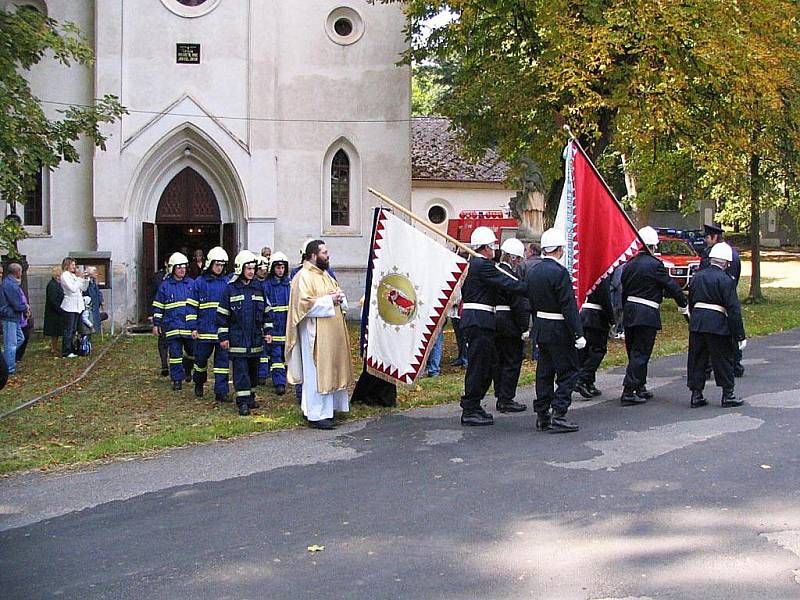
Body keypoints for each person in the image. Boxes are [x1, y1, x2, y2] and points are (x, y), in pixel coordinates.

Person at [458, 227, 527, 426]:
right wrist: (532, 289)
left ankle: (475, 404)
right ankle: (470, 407)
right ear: (486, 248)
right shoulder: (482, 265)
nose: (494, 251)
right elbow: (509, 284)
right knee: (479, 366)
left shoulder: (475, 264)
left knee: (486, 365)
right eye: (492, 247)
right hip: (479, 320)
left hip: (478, 320)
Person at [286, 240, 353, 430]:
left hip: (332, 335)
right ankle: (316, 414)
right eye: (324, 252)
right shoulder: (303, 276)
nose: (328, 255)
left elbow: (337, 294)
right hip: (314, 335)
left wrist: (339, 297)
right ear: (313, 256)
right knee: (316, 373)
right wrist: (329, 300)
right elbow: (303, 306)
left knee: (332, 369)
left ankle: (330, 410)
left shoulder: (326, 275)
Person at [620, 226, 688, 405]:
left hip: (630, 311)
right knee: (641, 353)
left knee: (634, 351)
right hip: (646, 313)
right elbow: (670, 285)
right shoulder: (654, 264)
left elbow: (624, 290)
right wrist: (683, 302)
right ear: (653, 246)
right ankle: (629, 390)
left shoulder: (629, 264)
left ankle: (639, 386)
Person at [526, 229, 585, 433]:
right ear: (559, 250)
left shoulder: (533, 270)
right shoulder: (559, 273)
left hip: (542, 327)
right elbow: (568, 305)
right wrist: (578, 333)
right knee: (569, 372)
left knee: (545, 372)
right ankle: (559, 413)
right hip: (559, 328)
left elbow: (531, 301)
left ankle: (542, 414)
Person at [686, 242, 746, 408]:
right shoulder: (726, 280)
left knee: (697, 359)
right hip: (717, 324)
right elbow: (733, 309)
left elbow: (691, 301)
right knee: (723, 359)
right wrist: (739, 334)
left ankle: (696, 394)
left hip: (697, 322)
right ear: (726, 263)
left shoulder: (697, 276)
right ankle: (728, 394)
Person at [216, 250, 271, 415]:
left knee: (253, 370)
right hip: (238, 339)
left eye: (253, 268)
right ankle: (242, 402)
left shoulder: (259, 288)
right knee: (241, 372)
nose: (252, 271)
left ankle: (251, 397)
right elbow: (222, 315)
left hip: (254, 339)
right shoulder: (230, 289)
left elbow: (267, 312)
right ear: (240, 269)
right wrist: (223, 337)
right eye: (248, 268)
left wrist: (268, 331)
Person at [699, 223, 744, 378]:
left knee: (718, 337)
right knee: (728, 333)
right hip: (724, 298)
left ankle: (723, 366)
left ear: (715, 237)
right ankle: (735, 364)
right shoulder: (731, 253)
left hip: (717, 300)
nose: (705, 240)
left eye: (707, 237)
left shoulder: (713, 255)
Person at [492, 238, 530, 413]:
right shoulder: (511, 277)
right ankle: (506, 398)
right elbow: (518, 304)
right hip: (509, 321)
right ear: (513, 258)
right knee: (512, 360)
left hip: (494, 319)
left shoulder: (493, 271)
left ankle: (500, 392)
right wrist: (524, 327)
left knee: (499, 359)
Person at [188, 246, 231, 402]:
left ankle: (221, 392)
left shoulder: (228, 283)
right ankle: (199, 382)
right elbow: (192, 306)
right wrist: (193, 327)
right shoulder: (199, 283)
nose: (219, 268)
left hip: (221, 331)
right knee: (200, 360)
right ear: (210, 264)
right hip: (204, 330)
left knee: (222, 364)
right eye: (217, 264)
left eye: (222, 265)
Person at [152, 252, 195, 390]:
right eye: (179, 267)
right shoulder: (165, 286)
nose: (182, 270)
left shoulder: (192, 284)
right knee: (175, 355)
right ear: (172, 269)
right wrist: (156, 323)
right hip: (172, 326)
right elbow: (158, 305)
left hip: (188, 326)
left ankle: (187, 370)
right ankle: (177, 380)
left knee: (192, 352)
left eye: (184, 267)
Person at [574, 277, 615, 398]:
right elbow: (605, 298)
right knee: (597, 350)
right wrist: (611, 318)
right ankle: (582, 378)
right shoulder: (600, 275)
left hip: (582, 314)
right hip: (596, 316)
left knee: (585, 351)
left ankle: (588, 382)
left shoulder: (582, 272)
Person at [263, 251, 291, 395]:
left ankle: (285, 378)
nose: (280, 270)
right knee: (276, 356)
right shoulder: (266, 286)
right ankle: (279, 383)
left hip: (287, 327)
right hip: (274, 327)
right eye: (277, 267)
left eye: (282, 268)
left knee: (286, 356)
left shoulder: (289, 284)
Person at [0, 263, 29, 374]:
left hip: (14, 317)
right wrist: (24, 307)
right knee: (11, 344)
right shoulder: (10, 284)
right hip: (9, 316)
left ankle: (6, 358)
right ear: (17, 272)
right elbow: (16, 303)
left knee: (20, 338)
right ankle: (9, 369)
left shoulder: (10, 283)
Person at [60, 257, 90, 358]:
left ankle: (72, 348)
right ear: (67, 265)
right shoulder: (65, 276)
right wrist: (79, 279)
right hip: (69, 305)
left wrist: (85, 278)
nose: (74, 267)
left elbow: (83, 287)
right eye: (72, 265)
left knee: (74, 329)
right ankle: (66, 351)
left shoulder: (73, 275)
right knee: (69, 329)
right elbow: (72, 288)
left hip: (77, 305)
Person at [151, 256, 170, 376]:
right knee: (163, 340)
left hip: (177, 314)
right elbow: (153, 295)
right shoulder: (158, 277)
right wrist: (152, 315)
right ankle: (164, 364)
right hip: (163, 313)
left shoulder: (184, 279)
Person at [254, 254, 271, 384]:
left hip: (265, 318)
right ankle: (258, 373)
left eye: (264, 270)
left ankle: (263, 374)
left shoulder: (267, 284)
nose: (263, 272)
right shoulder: (253, 283)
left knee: (266, 349)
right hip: (254, 320)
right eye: (260, 269)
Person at [44, 266, 65, 355]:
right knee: (54, 332)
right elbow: (53, 300)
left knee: (56, 331)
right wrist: (60, 309)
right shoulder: (52, 285)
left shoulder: (58, 284)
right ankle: (53, 348)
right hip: (53, 312)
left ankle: (55, 347)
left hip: (57, 311)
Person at [84, 267, 105, 334]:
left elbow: (98, 292)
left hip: (95, 303)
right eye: (95, 272)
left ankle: (95, 331)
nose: (96, 274)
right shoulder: (87, 281)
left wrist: (101, 300)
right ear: (90, 273)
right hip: (89, 304)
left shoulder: (94, 282)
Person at [15, 281, 32, 363]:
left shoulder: (20, 289)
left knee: (25, 336)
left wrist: (27, 309)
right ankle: (14, 355)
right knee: (20, 337)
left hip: (24, 316)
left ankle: (18, 356)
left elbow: (24, 301)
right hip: (18, 317)